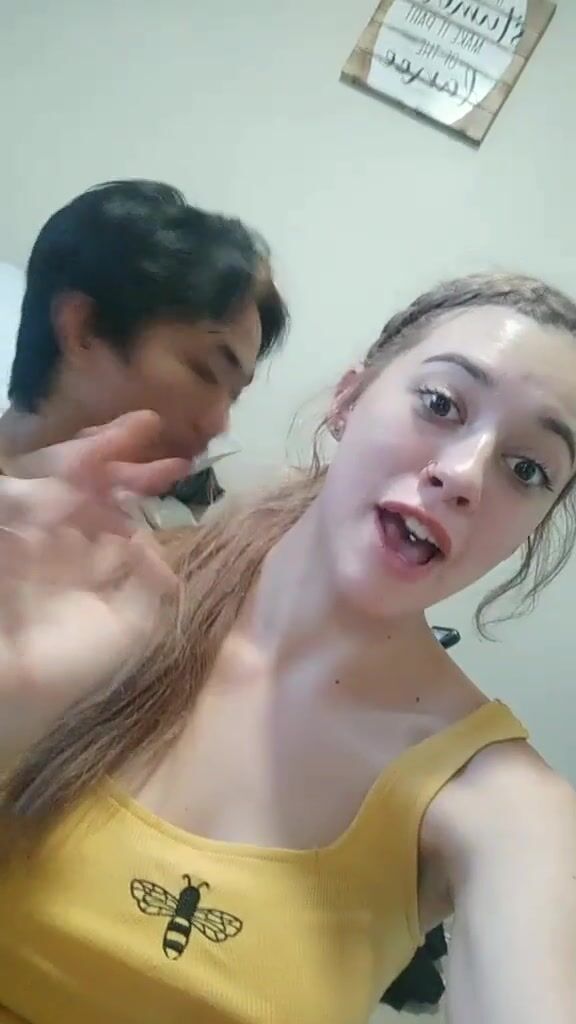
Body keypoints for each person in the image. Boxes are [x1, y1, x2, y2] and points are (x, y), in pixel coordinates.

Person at [1, 273, 576, 1024]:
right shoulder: (89, 592)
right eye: (441, 404)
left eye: (528, 469)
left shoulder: (501, 803)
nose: (464, 475)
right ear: (348, 400)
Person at [0, 180, 288, 524]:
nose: (218, 425)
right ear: (84, 329)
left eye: (234, 396)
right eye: (205, 370)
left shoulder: (146, 531)